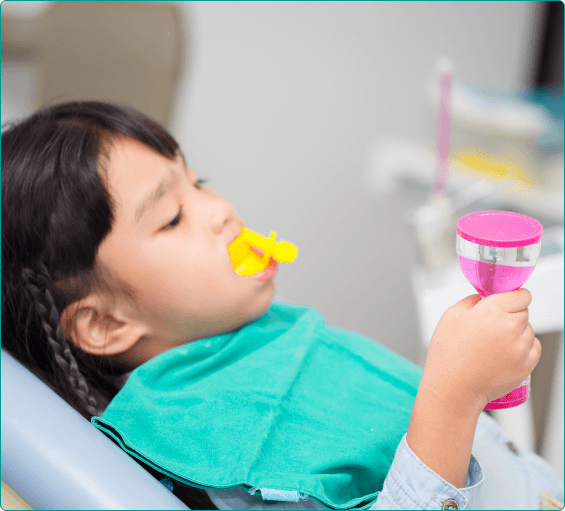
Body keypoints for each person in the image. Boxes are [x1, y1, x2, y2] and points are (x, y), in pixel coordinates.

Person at [2, 101, 562, 511]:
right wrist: (454, 395)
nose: (220, 210)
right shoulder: (215, 449)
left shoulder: (260, 338)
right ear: (104, 322)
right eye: (173, 216)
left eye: (201, 183)